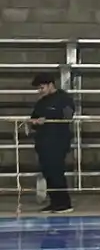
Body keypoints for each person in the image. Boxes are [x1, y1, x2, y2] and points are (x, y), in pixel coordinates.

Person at [28, 72, 74, 214]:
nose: (40, 91)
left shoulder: (64, 98)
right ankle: (54, 202)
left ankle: (64, 203)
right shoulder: (41, 102)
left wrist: (47, 118)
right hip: (43, 142)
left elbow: (68, 115)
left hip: (58, 141)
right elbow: (33, 119)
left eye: (42, 87)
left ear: (50, 85)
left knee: (56, 171)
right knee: (48, 172)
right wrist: (34, 122)